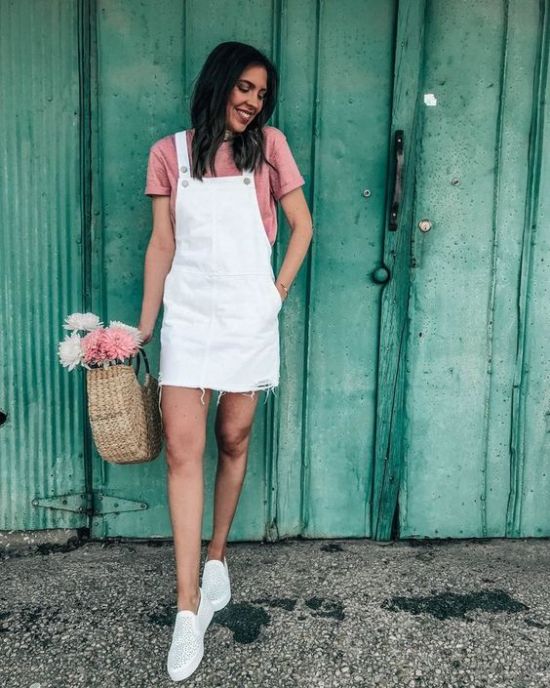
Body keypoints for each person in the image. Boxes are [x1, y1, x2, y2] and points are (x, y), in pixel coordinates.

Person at [139, 41, 313, 681]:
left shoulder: (269, 148)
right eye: (244, 87)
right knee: (184, 454)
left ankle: (216, 560)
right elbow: (163, 243)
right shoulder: (170, 153)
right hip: (187, 317)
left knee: (232, 436)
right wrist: (145, 327)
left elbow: (303, 226)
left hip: (248, 313)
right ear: (218, 84)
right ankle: (188, 612)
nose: (252, 101)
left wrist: (275, 296)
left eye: (261, 93)